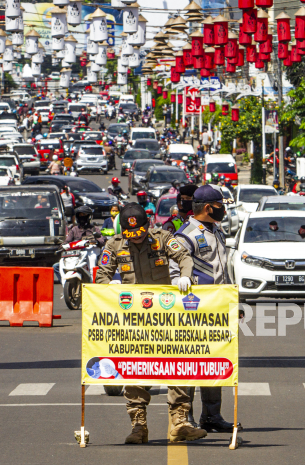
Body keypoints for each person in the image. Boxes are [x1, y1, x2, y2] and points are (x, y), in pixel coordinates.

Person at [95, 204, 205, 444]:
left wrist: (185, 275)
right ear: (123, 231)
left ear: (147, 225)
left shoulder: (162, 238)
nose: (136, 239)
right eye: (130, 235)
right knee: (135, 368)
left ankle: (180, 422)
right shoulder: (113, 245)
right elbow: (102, 274)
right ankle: (138, 426)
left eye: (141, 232)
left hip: (164, 315)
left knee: (176, 364)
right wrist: (108, 287)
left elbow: (183, 256)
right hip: (133, 319)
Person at [168, 185, 235, 433]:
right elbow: (173, 274)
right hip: (192, 313)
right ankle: (187, 417)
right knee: (190, 364)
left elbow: (221, 272)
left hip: (216, 311)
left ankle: (212, 415)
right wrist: (180, 282)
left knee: (214, 362)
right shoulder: (185, 236)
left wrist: (232, 305)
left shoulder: (216, 231)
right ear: (208, 208)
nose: (224, 210)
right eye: (221, 205)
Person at [53, 205, 103, 282]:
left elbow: (102, 240)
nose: (82, 217)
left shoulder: (94, 228)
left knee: (96, 262)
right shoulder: (74, 229)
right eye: (80, 215)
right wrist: (62, 246)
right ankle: (66, 287)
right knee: (56, 266)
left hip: (91, 254)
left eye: (84, 215)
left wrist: (97, 240)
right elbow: (67, 241)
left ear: (89, 216)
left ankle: (93, 284)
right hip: (76, 256)